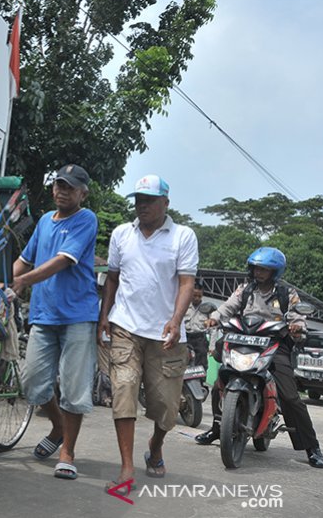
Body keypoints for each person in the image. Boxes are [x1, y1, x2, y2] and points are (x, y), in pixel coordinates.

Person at [98, 174, 198, 492]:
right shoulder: (121, 234)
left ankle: (155, 447)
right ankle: (127, 467)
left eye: (149, 200)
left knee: (166, 407)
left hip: (167, 335)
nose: (142, 206)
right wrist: (104, 317)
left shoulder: (183, 236)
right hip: (126, 326)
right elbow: (112, 278)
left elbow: (186, 282)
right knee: (124, 390)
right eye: (138, 200)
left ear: (165, 203)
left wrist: (176, 319)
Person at [195, 247, 323, 468]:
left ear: (275, 271)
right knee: (222, 378)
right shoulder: (245, 290)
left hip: (274, 344)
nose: (259, 272)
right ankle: (218, 429)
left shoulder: (287, 294)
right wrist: (214, 318)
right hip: (242, 339)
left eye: (264, 269)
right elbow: (228, 307)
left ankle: (311, 447)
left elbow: (297, 316)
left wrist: (297, 327)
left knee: (290, 397)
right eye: (256, 268)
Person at [11, 164, 98, 481]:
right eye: (59, 185)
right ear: (52, 188)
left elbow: (62, 261)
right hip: (43, 315)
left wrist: (24, 281)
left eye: (70, 187)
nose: (62, 190)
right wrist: (11, 277)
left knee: (74, 389)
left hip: (77, 315)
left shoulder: (86, 219)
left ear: (82, 193)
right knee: (31, 381)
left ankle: (68, 452)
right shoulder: (46, 221)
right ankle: (58, 427)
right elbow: (24, 258)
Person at [183, 280, 212, 369]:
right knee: (184, 362)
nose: (197, 298)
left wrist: (212, 345)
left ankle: (201, 381)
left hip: (200, 339)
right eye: (194, 295)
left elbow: (213, 328)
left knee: (202, 363)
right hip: (186, 338)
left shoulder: (207, 308)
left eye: (199, 296)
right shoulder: (184, 306)